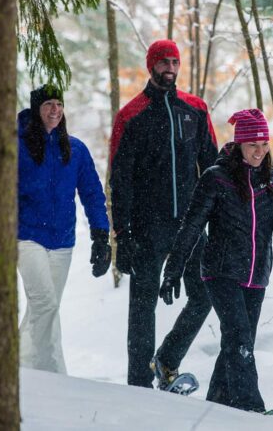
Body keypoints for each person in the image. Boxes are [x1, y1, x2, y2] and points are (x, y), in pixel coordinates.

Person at [160, 109, 273, 413]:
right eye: (252, 145)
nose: (259, 152)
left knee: (236, 344)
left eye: (263, 144)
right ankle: (251, 408)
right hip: (221, 272)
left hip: (257, 274)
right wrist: (173, 269)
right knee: (240, 338)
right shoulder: (217, 179)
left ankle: (218, 407)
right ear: (239, 144)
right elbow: (192, 225)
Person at [109, 39, 218, 388]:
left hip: (190, 224)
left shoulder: (196, 110)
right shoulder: (131, 115)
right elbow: (120, 178)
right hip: (146, 227)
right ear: (151, 65)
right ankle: (138, 382)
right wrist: (120, 234)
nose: (170, 68)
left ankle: (167, 359)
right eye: (163, 62)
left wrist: (216, 220)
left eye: (174, 62)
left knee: (205, 295)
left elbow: (213, 168)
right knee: (142, 307)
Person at [17, 84, 111, 374]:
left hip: (62, 242)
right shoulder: (16, 145)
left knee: (42, 308)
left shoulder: (76, 150)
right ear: (37, 109)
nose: (55, 110)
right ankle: (53, 374)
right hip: (26, 236)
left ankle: (18, 364)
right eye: (48, 105)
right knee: (45, 304)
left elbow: (93, 194)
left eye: (59, 104)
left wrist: (100, 235)